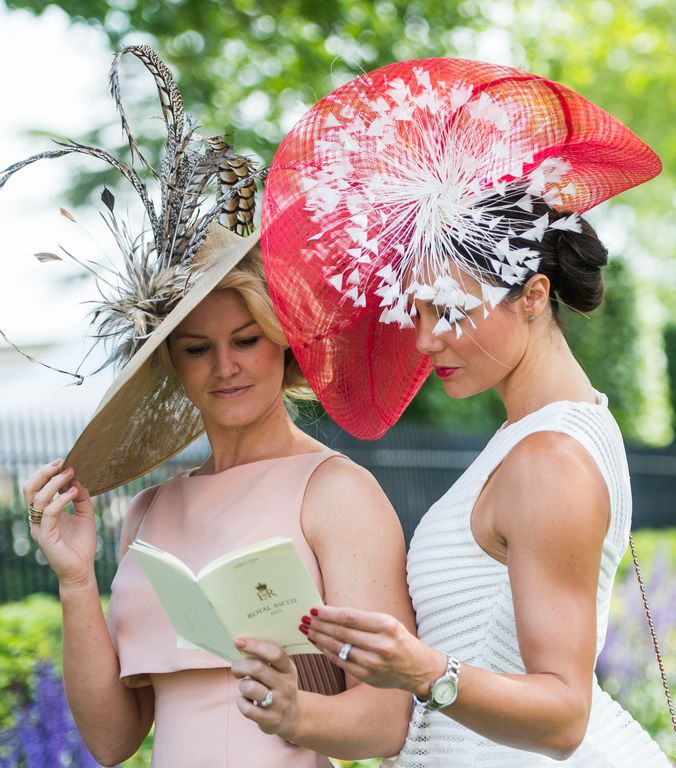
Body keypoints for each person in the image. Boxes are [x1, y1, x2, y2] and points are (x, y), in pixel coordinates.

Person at [259, 59, 673, 766]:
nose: (425, 341)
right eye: (417, 313)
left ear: (534, 295)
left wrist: (422, 670)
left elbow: (564, 714)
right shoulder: (528, 440)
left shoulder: (550, 462)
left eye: (449, 312)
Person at [13, 46, 413, 767]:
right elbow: (110, 741)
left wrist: (297, 714)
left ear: (284, 345)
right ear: (172, 363)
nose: (225, 366)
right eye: (196, 347)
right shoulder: (149, 512)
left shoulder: (338, 493)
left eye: (247, 339)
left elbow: (387, 723)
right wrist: (75, 577)